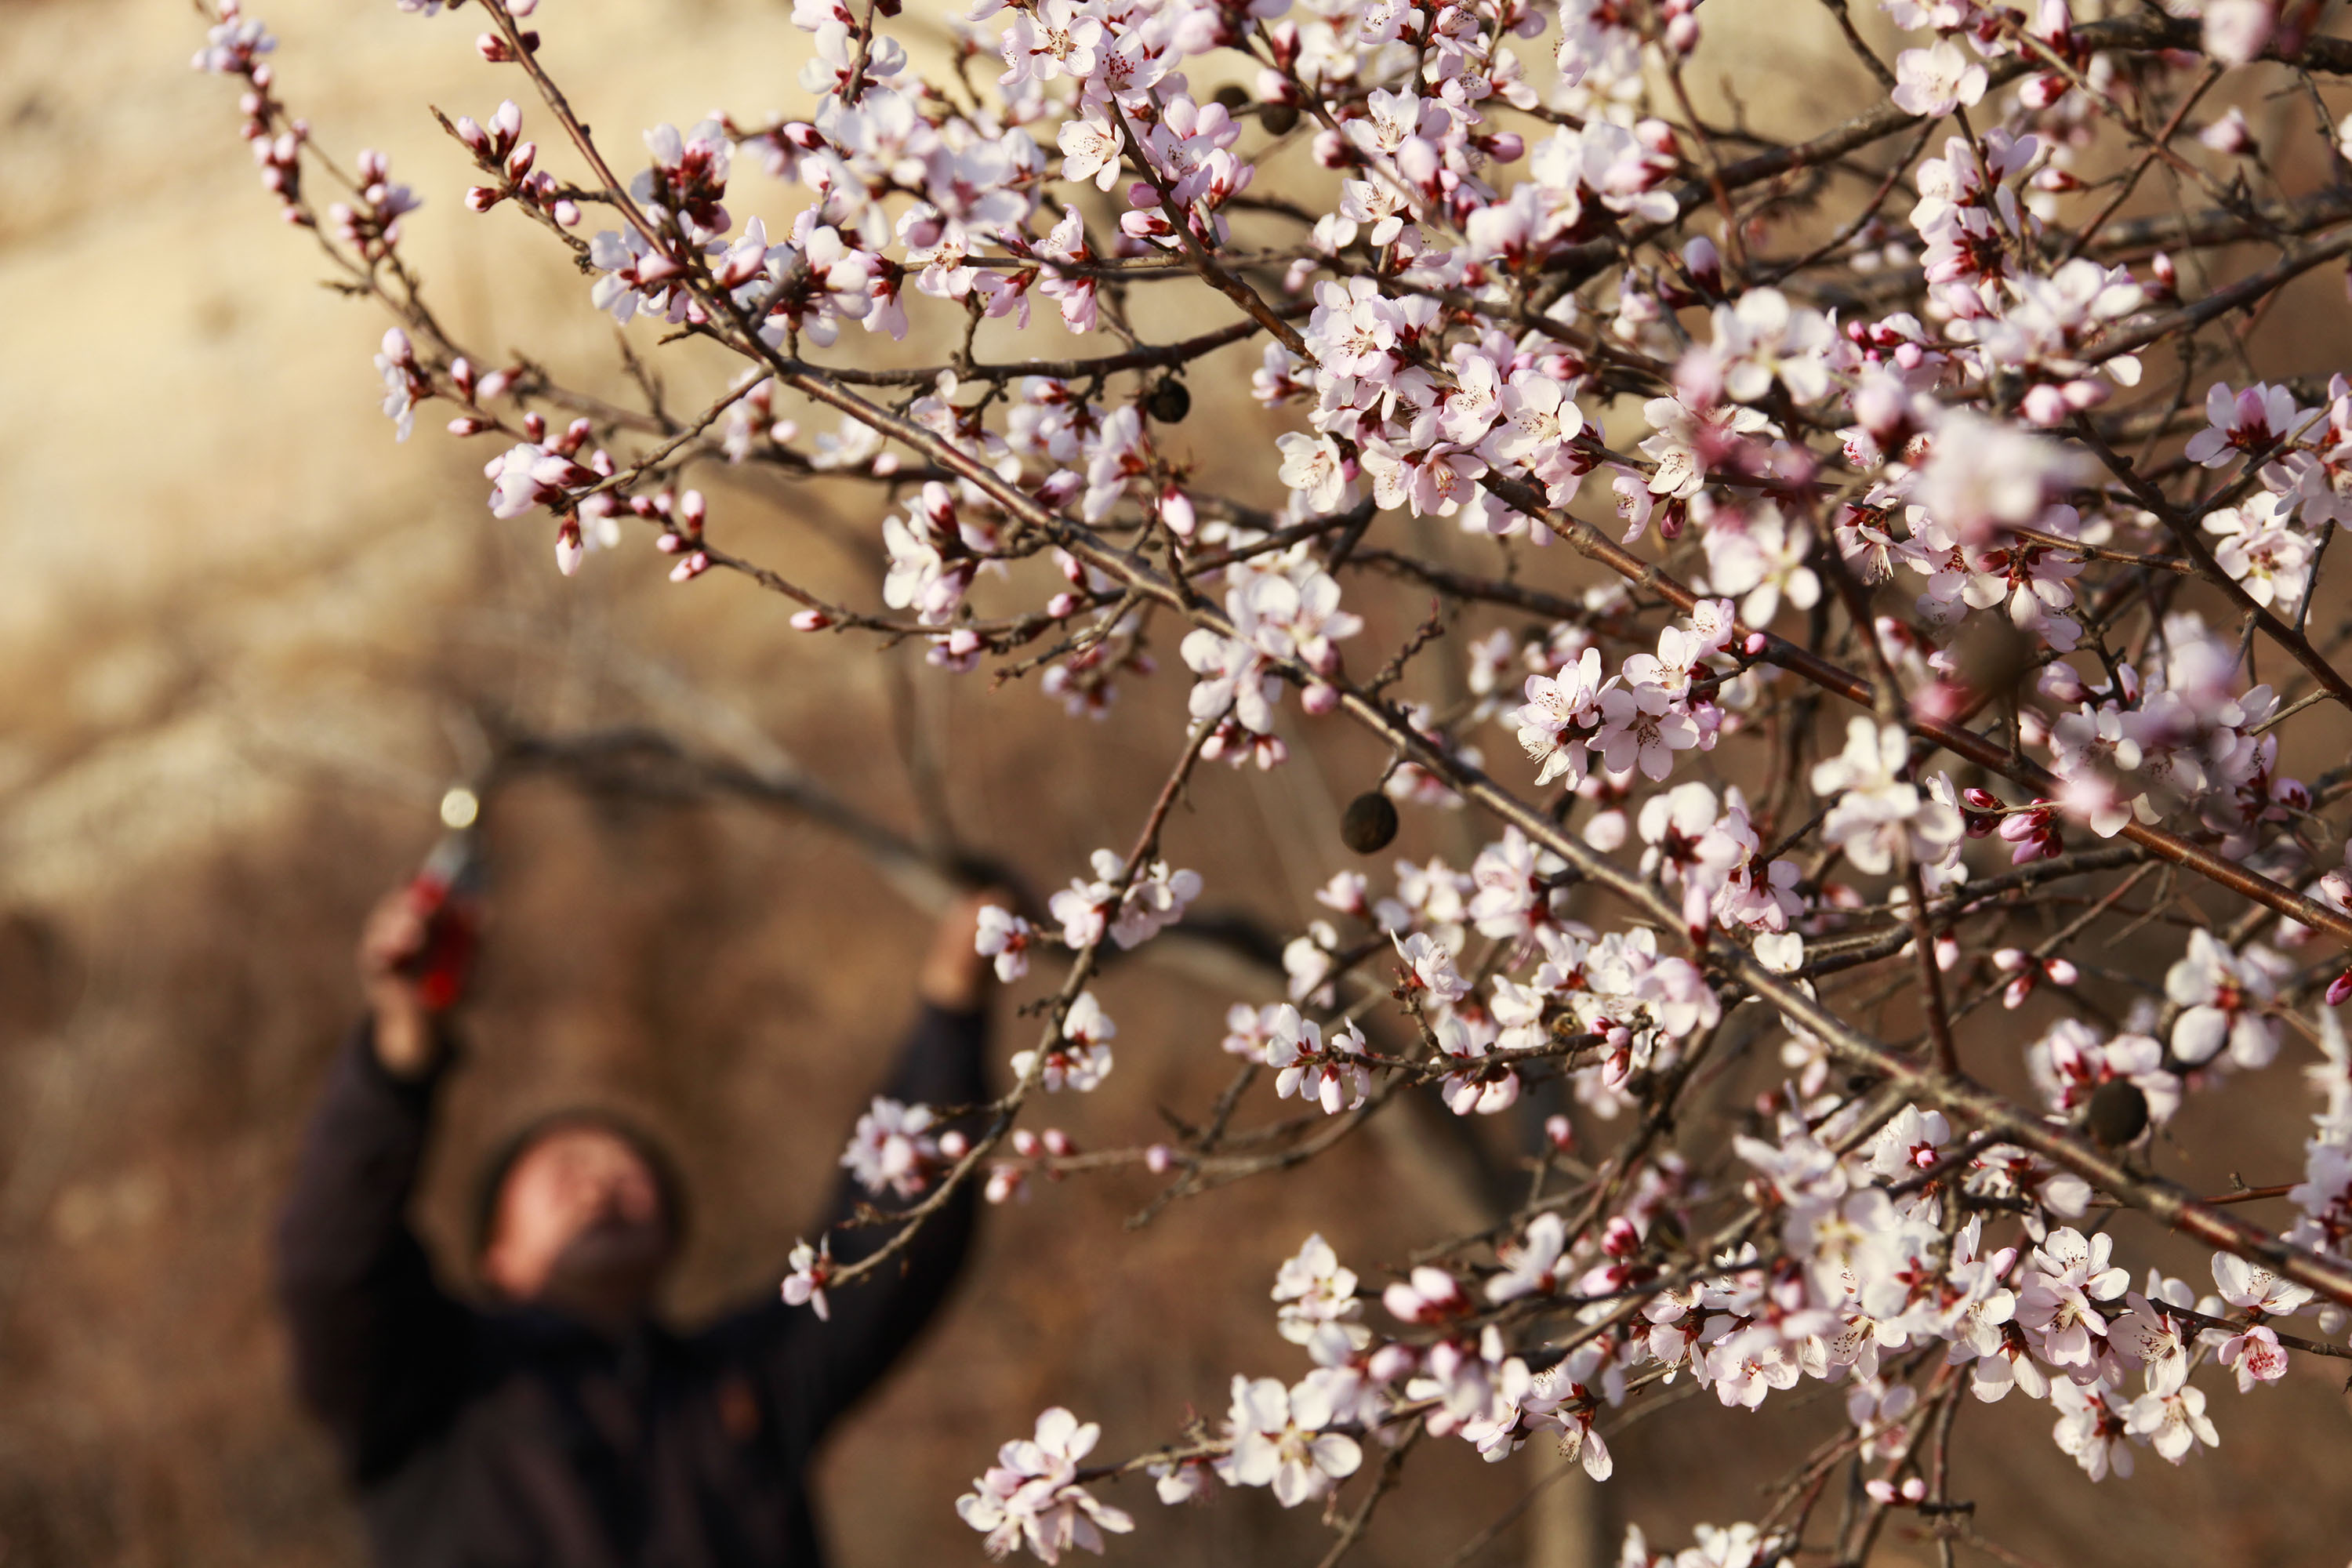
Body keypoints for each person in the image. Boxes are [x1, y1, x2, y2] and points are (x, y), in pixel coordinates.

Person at [275, 876, 1002, 1568]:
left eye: (629, 1171)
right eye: (563, 1169)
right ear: (495, 1254)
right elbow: (333, 1255)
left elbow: (895, 1246)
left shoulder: (741, 1384)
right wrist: (403, 1048)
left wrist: (954, 1005)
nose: (600, 1180)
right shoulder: (432, 1393)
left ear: (673, 1244)